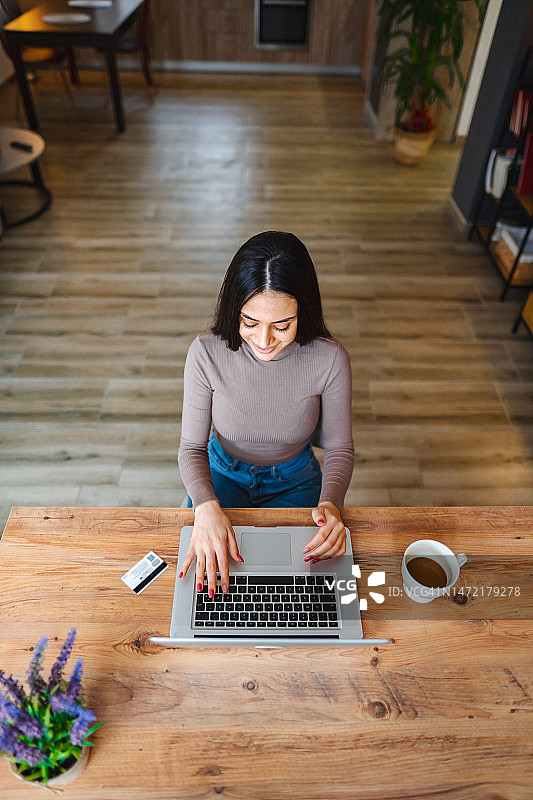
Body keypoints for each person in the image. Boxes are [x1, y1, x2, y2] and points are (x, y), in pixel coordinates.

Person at [177, 231, 354, 600]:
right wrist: (206, 506)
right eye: (250, 322)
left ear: (303, 312)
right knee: (209, 586)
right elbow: (191, 446)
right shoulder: (205, 352)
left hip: (297, 480)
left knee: (301, 591)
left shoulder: (330, 358)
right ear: (233, 310)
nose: (263, 341)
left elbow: (338, 449)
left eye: (282, 326)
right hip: (221, 473)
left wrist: (332, 505)